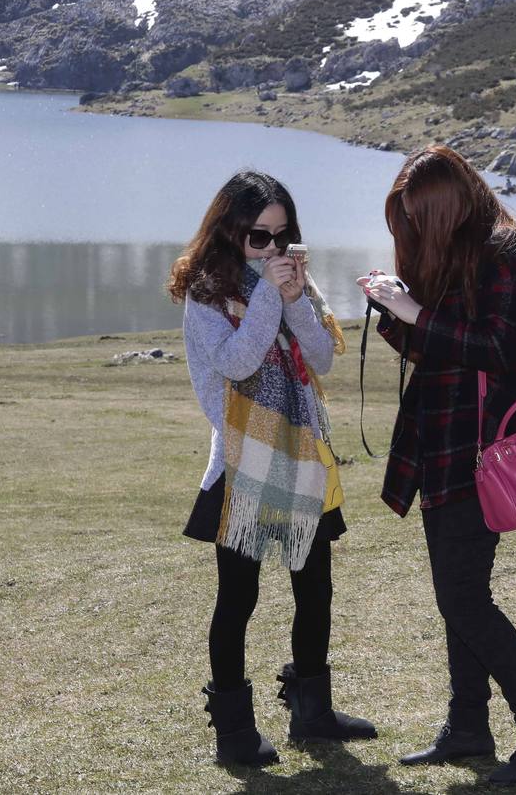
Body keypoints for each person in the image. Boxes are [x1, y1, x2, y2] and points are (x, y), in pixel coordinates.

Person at [359, 145, 516, 786]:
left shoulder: (507, 252)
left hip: (484, 450)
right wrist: (394, 309)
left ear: (453, 206)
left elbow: (497, 351)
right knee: (458, 597)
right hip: (450, 445)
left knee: (464, 598)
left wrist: (413, 313)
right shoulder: (467, 251)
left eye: (423, 219)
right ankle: (469, 726)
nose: (418, 234)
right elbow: (440, 347)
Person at [167, 170, 375, 768]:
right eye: (260, 237)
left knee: (316, 589)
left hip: (305, 456)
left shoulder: (290, 283)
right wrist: (268, 297)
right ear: (230, 232)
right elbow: (235, 364)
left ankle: (313, 711)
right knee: (239, 598)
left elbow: (323, 358)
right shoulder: (205, 295)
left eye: (283, 238)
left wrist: (294, 299)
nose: (273, 250)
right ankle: (233, 730)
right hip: (243, 465)